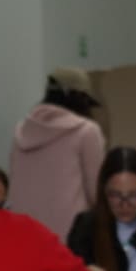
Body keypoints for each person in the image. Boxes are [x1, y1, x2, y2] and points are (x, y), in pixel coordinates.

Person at [10, 67, 106, 240]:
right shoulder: (86, 131)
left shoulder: (22, 129)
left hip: (23, 235)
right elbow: (97, 192)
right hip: (70, 237)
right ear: (81, 99)